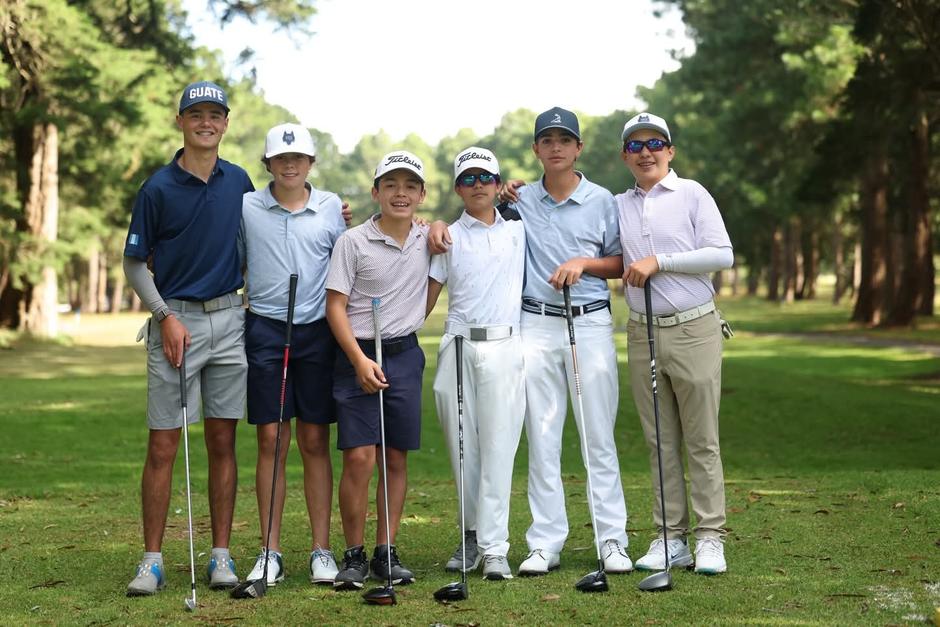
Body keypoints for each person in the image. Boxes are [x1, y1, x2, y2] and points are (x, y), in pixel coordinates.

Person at [430, 107, 633, 577]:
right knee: (542, 438)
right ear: (536, 149)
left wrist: (584, 263)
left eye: (565, 140)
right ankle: (545, 542)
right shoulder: (519, 202)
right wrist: (435, 223)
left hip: (589, 324)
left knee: (598, 438)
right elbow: (473, 219)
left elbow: (622, 262)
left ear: (578, 148)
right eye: (547, 140)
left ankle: (612, 541)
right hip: (535, 325)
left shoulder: (602, 200)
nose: (556, 147)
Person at [123, 80, 253, 595]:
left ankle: (221, 555)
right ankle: (152, 561)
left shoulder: (240, 181)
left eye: (214, 115)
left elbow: (271, 227)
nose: (206, 123)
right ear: (180, 121)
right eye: (195, 114)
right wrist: (163, 315)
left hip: (230, 321)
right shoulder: (157, 188)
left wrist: (337, 216)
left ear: (225, 123)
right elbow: (135, 263)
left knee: (223, 441)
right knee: (164, 443)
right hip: (175, 321)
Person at [616, 112, 733, 575]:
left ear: (670, 151)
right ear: (625, 155)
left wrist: (660, 261)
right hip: (641, 332)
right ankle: (670, 537)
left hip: (693, 328)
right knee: (660, 441)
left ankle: (710, 538)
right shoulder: (619, 204)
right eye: (635, 145)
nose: (645, 152)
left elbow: (722, 254)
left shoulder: (692, 193)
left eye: (654, 143)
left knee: (701, 439)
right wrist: (513, 193)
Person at [237, 123, 346, 586]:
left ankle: (322, 549)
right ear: (268, 164)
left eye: (298, 158)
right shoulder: (247, 206)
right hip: (265, 328)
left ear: (310, 163)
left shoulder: (331, 208)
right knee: (272, 439)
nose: (289, 165)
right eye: (281, 159)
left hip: (317, 332)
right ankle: (270, 551)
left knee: (315, 440)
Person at [325, 150, 431, 590]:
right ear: (376, 192)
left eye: (409, 186)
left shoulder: (428, 238)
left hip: (404, 354)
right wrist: (358, 360)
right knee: (359, 457)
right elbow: (335, 306)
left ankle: (386, 550)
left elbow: (432, 288)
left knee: (394, 456)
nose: (400, 194)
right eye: (391, 185)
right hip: (358, 353)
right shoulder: (352, 242)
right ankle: (354, 554)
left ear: (422, 194)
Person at [426, 147, 526, 581]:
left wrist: (521, 191)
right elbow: (424, 299)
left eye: (486, 177)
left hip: (506, 345)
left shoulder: (519, 229)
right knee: (462, 448)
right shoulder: (446, 237)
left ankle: (496, 547)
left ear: (498, 184)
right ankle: (470, 534)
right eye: (468, 178)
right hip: (459, 345)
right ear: (457, 188)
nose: (478, 185)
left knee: (499, 448)